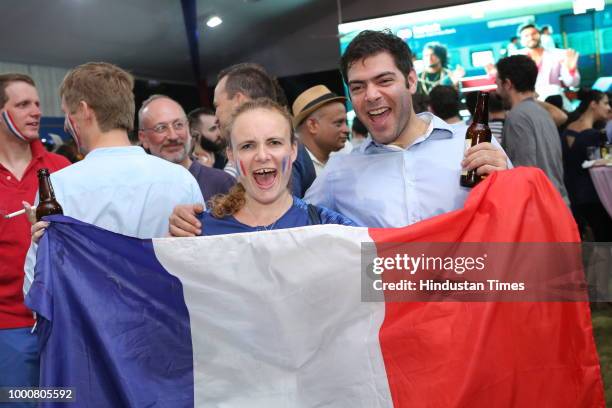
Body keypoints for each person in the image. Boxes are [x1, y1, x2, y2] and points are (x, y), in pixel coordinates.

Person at [23, 62, 204, 292]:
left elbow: (37, 289)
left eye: (68, 114)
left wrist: (37, 240)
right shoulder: (181, 178)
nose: (67, 124)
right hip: (170, 320)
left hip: (93, 325)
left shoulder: (58, 187)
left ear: (84, 110)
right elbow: (200, 267)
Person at [173, 98, 355, 236]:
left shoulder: (330, 229)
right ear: (231, 155)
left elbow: (371, 278)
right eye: (247, 146)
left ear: (293, 150)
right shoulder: (201, 232)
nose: (262, 156)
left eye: (274, 142)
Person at [0, 73, 70, 393]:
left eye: (38, 104)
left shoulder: (61, 167)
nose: (37, 111)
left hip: (64, 323)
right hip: (9, 330)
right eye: (23, 104)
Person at [214, 63, 316, 197]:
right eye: (247, 146)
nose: (215, 116)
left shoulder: (283, 157)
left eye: (217, 106)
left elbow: (281, 215)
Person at [495, 55, 569, 204]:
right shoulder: (543, 112)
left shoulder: (517, 117)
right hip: (557, 201)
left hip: (540, 206)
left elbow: (524, 171)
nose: (497, 91)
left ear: (508, 84)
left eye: (498, 84)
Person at [138, 95, 235, 202]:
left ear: (188, 128)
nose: (173, 136)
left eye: (178, 125)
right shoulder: (138, 190)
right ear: (143, 138)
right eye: (161, 128)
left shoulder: (221, 183)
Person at [561, 89, 612, 241]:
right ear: (593, 104)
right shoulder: (594, 136)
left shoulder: (568, 129)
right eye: (605, 103)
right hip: (595, 195)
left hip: (572, 195)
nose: (608, 107)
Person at [517, 23, 579, 108]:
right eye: (526, 36)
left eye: (534, 34)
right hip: (530, 104)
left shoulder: (558, 54)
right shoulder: (516, 58)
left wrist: (571, 70)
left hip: (556, 102)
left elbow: (572, 83)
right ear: (521, 40)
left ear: (540, 35)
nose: (531, 37)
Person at [292, 85, 350, 176]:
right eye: (338, 123)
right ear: (312, 125)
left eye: (345, 122)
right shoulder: (291, 164)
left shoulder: (346, 149)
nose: (347, 129)